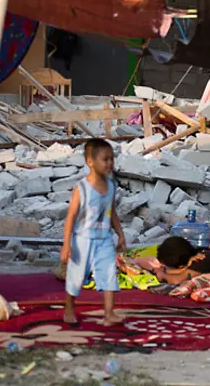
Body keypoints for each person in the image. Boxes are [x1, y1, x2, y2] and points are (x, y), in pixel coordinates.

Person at [60, 139, 127, 326]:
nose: (109, 164)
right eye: (105, 159)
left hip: (104, 239)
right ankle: (69, 309)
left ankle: (109, 314)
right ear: (90, 162)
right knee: (76, 275)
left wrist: (120, 234)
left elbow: (112, 212)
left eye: (112, 159)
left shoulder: (111, 186)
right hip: (83, 240)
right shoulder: (82, 188)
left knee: (108, 274)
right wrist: (66, 245)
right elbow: (71, 217)